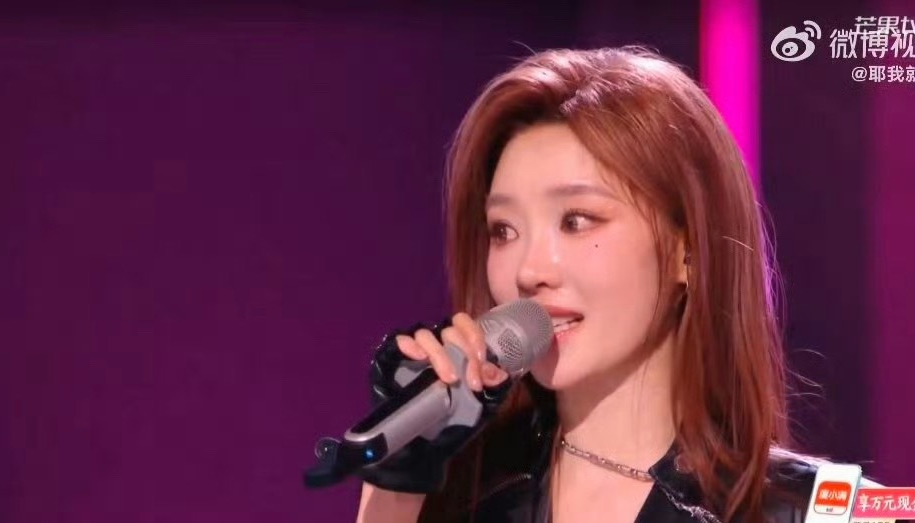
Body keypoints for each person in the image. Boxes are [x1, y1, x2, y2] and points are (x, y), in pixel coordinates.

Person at [353, 46, 879, 523]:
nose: (528, 271)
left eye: (577, 220)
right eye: (504, 230)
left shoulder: (830, 511)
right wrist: (398, 479)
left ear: (688, 250)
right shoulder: (460, 496)